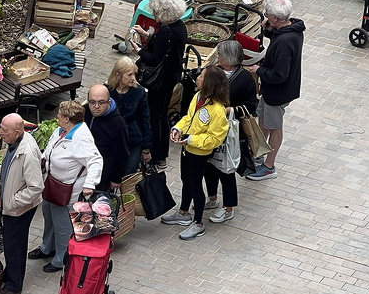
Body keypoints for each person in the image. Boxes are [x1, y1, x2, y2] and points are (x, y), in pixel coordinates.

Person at [28, 101, 103, 273]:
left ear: (68, 119)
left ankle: (60, 258)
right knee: (48, 214)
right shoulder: (61, 131)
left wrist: (89, 184)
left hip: (67, 189)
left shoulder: (80, 138)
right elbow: (49, 149)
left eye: (60, 115)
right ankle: (47, 248)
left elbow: (96, 160)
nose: (57, 117)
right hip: (52, 184)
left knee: (62, 226)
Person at [160, 66, 231, 241]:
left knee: (195, 185)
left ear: (209, 83)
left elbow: (215, 138)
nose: (198, 78)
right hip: (187, 149)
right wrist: (178, 128)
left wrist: (192, 140)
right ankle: (184, 212)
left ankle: (198, 222)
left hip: (199, 153)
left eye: (201, 76)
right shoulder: (197, 97)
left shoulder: (218, 110)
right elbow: (188, 118)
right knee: (186, 180)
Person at [245, 0, 305, 180]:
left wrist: (258, 70)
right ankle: (259, 153)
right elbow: (278, 37)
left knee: (275, 127)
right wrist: (269, 30)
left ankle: (269, 166)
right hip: (275, 91)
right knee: (263, 120)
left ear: (277, 18)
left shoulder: (285, 42)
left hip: (278, 93)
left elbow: (279, 75)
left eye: (268, 16)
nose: (266, 17)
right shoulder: (293, 29)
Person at [203, 40, 257, 224]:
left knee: (226, 170)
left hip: (231, 132)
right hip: (209, 128)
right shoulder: (214, 71)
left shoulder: (245, 78)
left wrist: (229, 110)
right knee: (208, 165)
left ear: (230, 58)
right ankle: (211, 199)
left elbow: (251, 107)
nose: (217, 57)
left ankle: (228, 208)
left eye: (220, 54)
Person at [133, 0, 188, 171]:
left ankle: (156, 156)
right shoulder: (180, 26)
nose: (154, 15)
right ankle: (162, 155)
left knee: (155, 117)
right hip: (172, 76)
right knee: (163, 114)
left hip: (160, 79)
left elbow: (155, 57)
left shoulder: (165, 30)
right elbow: (166, 49)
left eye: (156, 12)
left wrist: (139, 50)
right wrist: (148, 36)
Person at [0, 113, 43, 294]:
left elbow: (36, 187)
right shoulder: (14, 142)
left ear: (18, 131)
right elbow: (7, 170)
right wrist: (0, 193)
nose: (0, 133)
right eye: (1, 128)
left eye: (5, 131)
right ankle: (10, 274)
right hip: (13, 205)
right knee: (10, 242)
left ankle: (14, 285)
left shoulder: (27, 153)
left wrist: (12, 201)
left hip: (20, 208)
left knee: (15, 245)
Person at [105, 57, 152, 175]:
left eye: (134, 74)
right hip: (111, 140)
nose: (133, 78)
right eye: (129, 75)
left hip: (132, 140)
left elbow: (145, 120)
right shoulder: (107, 91)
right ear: (118, 75)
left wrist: (146, 149)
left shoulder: (139, 92)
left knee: (128, 177)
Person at [83, 84, 131, 191]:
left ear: (108, 102)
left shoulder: (118, 124)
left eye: (101, 102)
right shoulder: (84, 112)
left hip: (103, 175)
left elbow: (122, 154)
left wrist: (116, 178)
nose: (96, 106)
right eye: (92, 102)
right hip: (83, 169)